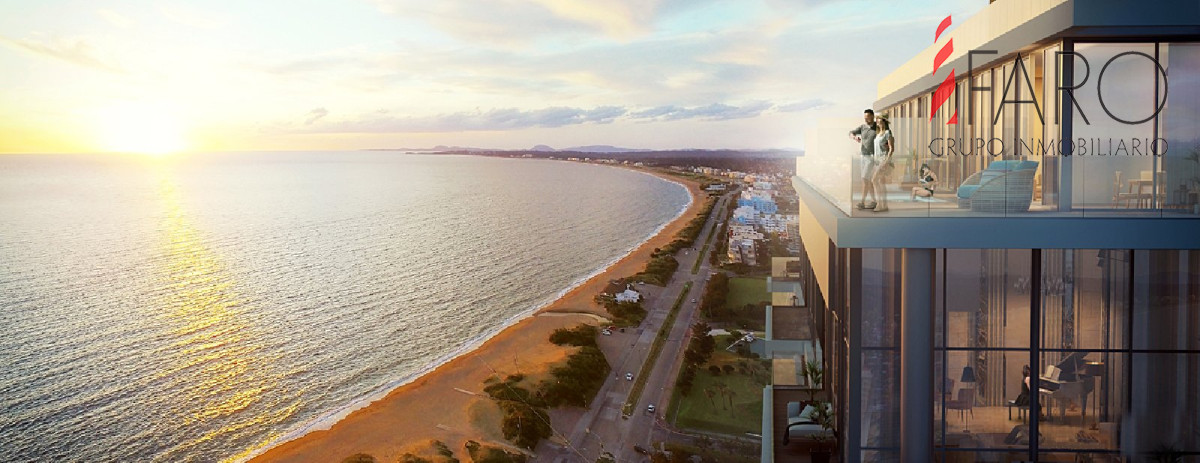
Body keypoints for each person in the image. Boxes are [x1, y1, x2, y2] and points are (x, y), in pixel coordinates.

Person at [849, 109, 878, 210]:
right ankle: (874, 201)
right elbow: (851, 133)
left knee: (865, 178)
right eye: (864, 118)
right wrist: (855, 137)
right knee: (867, 179)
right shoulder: (862, 127)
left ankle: (862, 202)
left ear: (872, 116)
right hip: (863, 156)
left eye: (867, 117)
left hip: (872, 156)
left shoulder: (877, 127)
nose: (866, 120)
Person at [870, 115, 894, 212]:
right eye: (877, 120)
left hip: (883, 160)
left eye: (879, 119)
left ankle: (879, 204)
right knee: (880, 182)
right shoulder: (878, 134)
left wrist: (886, 161)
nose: (878, 121)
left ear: (884, 121)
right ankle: (884, 205)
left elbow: (891, 149)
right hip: (877, 161)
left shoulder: (887, 133)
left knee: (874, 180)